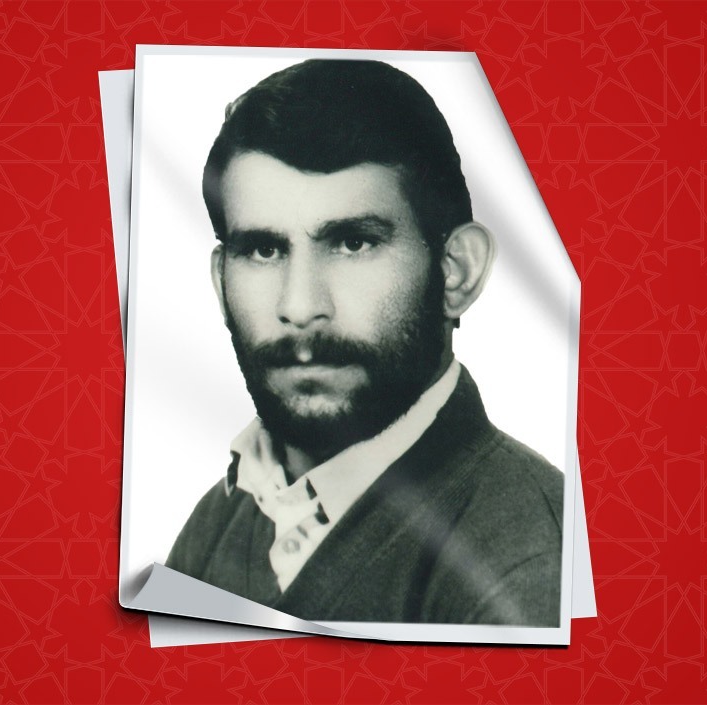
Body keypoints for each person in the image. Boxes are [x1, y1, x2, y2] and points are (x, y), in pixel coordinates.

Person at [165, 59, 564, 626]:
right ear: (220, 282)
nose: (300, 306)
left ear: (456, 271)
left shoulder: (531, 562)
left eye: (354, 243)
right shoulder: (221, 519)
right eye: (263, 250)